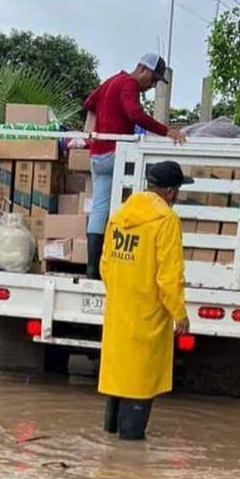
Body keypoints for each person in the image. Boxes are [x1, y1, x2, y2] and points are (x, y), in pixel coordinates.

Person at [98, 161, 191, 441]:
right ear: (171, 192)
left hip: (118, 314)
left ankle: (110, 453)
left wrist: (122, 293)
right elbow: (168, 275)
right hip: (147, 317)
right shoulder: (166, 220)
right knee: (140, 384)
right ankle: (130, 456)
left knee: (118, 380)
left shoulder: (119, 215)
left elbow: (105, 265)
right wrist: (180, 313)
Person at [82, 54, 187, 280]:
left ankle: (92, 269)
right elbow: (134, 114)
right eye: (153, 79)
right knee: (137, 200)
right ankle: (129, 259)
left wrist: (90, 136)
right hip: (115, 154)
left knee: (100, 208)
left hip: (98, 155)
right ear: (143, 69)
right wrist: (166, 131)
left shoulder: (110, 81)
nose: (151, 86)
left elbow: (89, 105)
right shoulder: (129, 84)